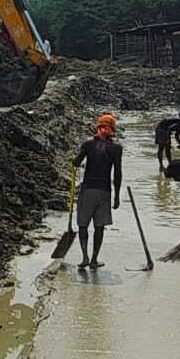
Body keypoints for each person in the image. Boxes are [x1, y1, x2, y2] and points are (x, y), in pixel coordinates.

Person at [72, 113, 123, 270]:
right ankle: (94, 259)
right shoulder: (116, 148)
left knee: (83, 224)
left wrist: (78, 158)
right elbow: (118, 174)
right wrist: (117, 197)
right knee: (99, 226)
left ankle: (85, 257)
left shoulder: (88, 144)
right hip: (104, 192)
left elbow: (76, 162)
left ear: (98, 127)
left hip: (88, 190)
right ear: (112, 130)